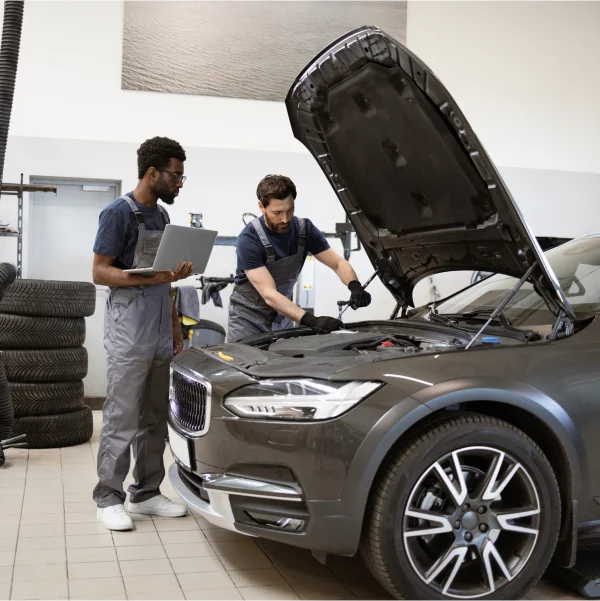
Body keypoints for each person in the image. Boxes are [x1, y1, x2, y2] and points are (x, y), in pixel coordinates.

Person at [91, 136, 193, 531]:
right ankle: (108, 496)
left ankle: (147, 492)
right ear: (153, 173)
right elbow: (100, 271)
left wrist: (174, 326)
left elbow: (165, 282)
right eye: (176, 175)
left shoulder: (163, 218)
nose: (180, 183)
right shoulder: (118, 213)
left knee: (155, 415)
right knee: (122, 414)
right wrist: (155, 276)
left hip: (159, 327)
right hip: (130, 327)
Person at [227, 174, 371, 342]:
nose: (285, 219)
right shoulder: (249, 239)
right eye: (277, 212)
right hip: (248, 321)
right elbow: (269, 293)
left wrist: (354, 286)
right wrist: (311, 320)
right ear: (261, 206)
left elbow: (338, 263)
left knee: (283, 365)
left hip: (284, 316)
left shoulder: (304, 230)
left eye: (290, 210)